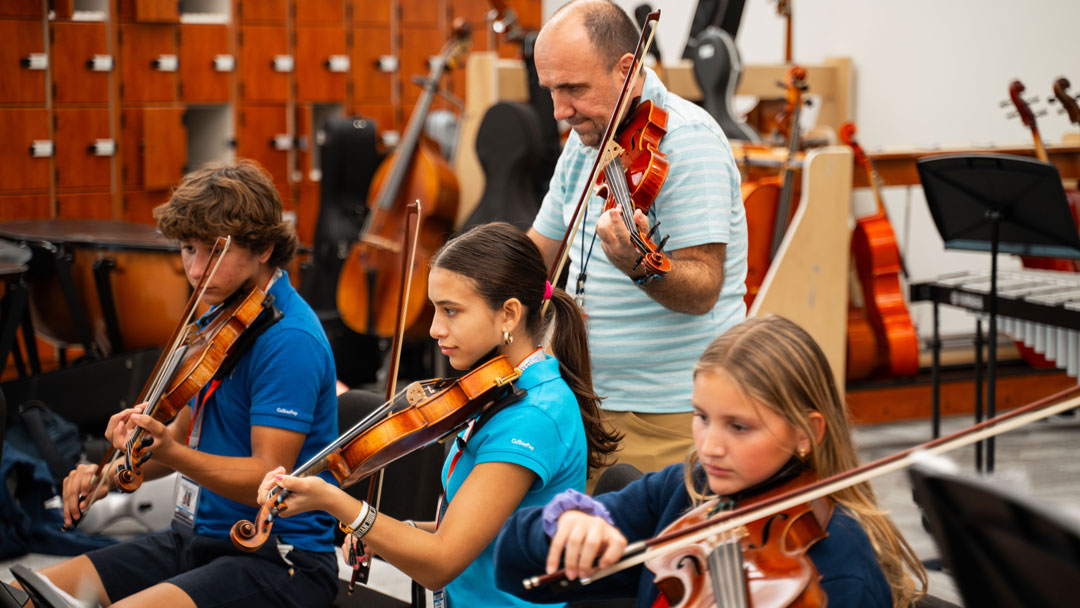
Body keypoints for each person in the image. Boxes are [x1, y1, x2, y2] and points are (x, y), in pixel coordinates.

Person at [255, 222, 620, 607]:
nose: (434, 329)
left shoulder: (533, 415)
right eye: (435, 309)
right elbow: (479, 528)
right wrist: (402, 531)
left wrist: (336, 502)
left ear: (509, 314)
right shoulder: (501, 386)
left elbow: (441, 563)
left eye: (451, 311)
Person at [27, 160, 340, 607]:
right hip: (195, 538)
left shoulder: (289, 339)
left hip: (276, 558)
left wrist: (172, 453)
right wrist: (107, 475)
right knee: (26, 595)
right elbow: (178, 435)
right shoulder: (220, 317)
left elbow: (267, 476)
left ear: (264, 248)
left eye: (214, 252)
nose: (195, 270)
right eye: (188, 249)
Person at [494, 315, 929, 608]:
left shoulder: (839, 569)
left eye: (739, 427)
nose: (710, 447)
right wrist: (566, 525)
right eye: (702, 417)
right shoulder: (687, 492)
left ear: (806, 433)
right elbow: (515, 567)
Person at [527, 0, 749, 480]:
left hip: (666, 415)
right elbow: (538, 251)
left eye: (573, 89)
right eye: (551, 91)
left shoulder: (689, 142)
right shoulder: (587, 139)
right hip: (582, 401)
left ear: (626, 70)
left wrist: (640, 266)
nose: (560, 111)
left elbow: (704, 288)